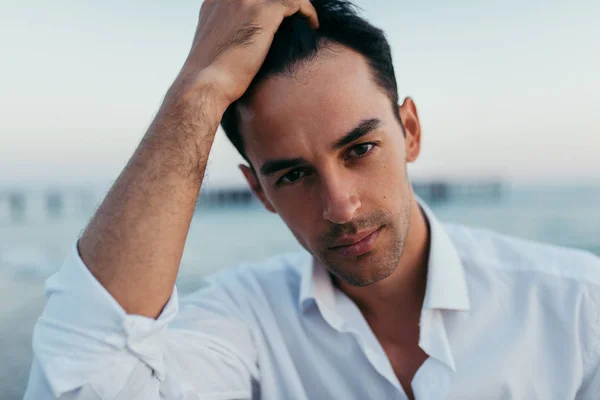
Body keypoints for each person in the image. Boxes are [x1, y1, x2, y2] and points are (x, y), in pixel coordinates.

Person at [25, 0, 600, 399]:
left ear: (412, 131)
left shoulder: (577, 307)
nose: (341, 206)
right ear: (260, 192)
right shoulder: (246, 319)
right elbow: (86, 382)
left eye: (361, 148)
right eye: (294, 175)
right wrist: (197, 91)